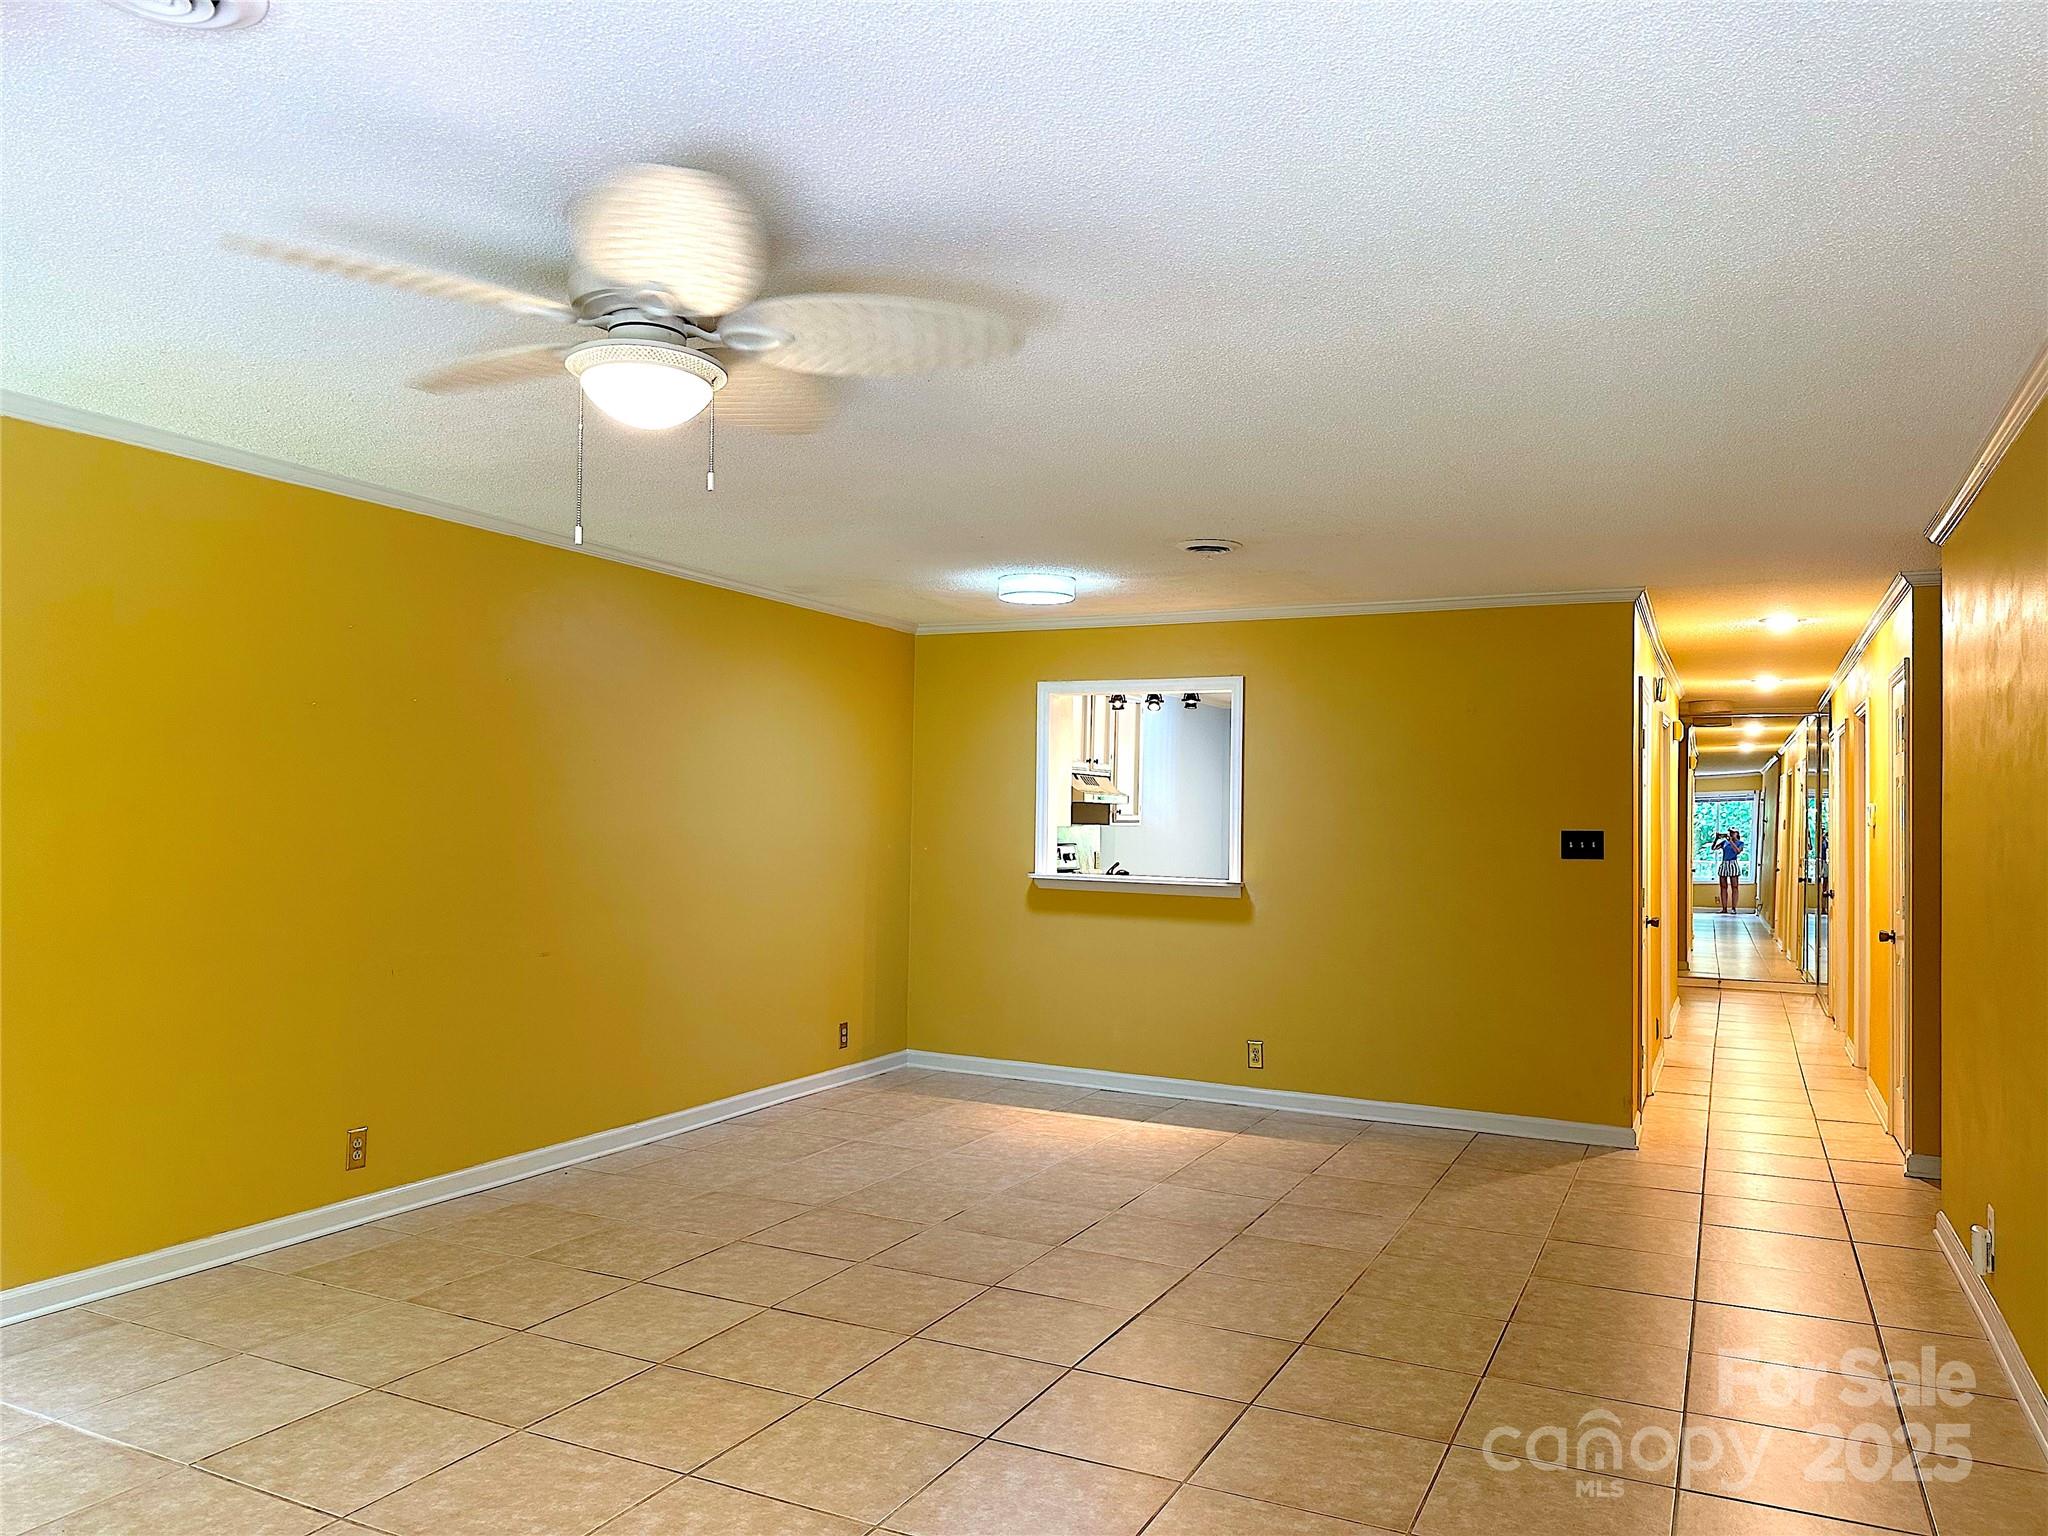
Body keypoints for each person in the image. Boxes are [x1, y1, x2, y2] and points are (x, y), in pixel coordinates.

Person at [1712, 828, 1745, 914]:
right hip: (1724, 864)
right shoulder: (1724, 843)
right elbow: (1713, 848)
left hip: (1733, 864)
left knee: (1735, 887)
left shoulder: (1740, 843)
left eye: (1733, 832)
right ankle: (1724, 908)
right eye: (1730, 832)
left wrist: (1731, 841)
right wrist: (1717, 838)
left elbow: (1737, 851)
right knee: (1723, 887)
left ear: (1737, 833)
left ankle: (1734, 908)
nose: (1731, 834)